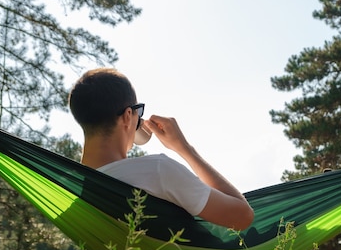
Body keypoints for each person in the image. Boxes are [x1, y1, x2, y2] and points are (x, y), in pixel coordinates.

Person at [68, 67, 254, 231]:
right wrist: (185, 149)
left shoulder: (74, 198)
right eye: (138, 112)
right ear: (127, 116)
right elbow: (242, 217)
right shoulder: (157, 170)